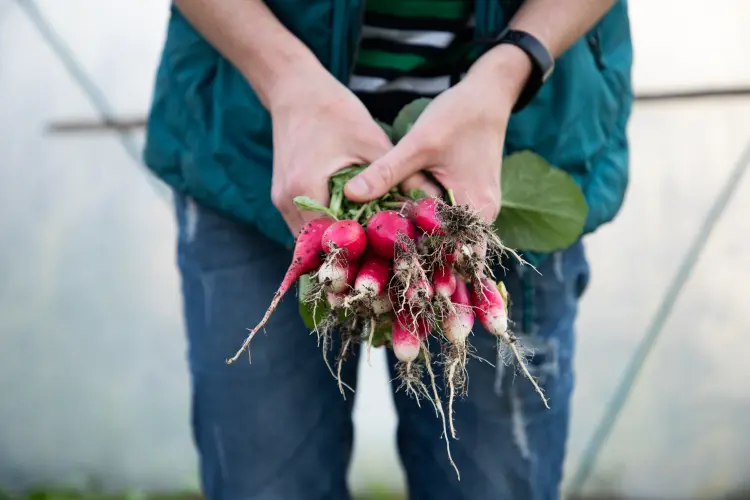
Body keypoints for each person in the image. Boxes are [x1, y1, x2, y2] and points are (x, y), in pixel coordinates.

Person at [143, 0, 633, 498]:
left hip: (497, 161)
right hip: (254, 150)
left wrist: (512, 67)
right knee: (265, 483)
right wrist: (284, 80)